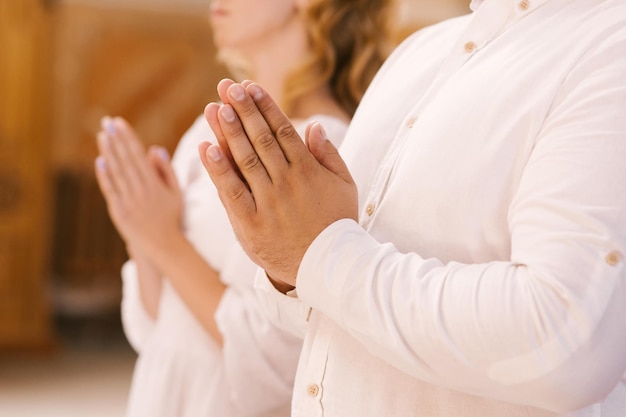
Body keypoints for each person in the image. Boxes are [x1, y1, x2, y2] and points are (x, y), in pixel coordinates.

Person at [198, 0, 626, 416]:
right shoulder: (419, 52)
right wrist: (286, 261)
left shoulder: (610, 46)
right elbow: (332, 324)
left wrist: (322, 254)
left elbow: (564, 345)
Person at [93, 0, 393, 416]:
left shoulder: (328, 147)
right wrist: (140, 232)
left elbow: (277, 366)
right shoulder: (207, 128)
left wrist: (163, 241)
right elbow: (156, 327)